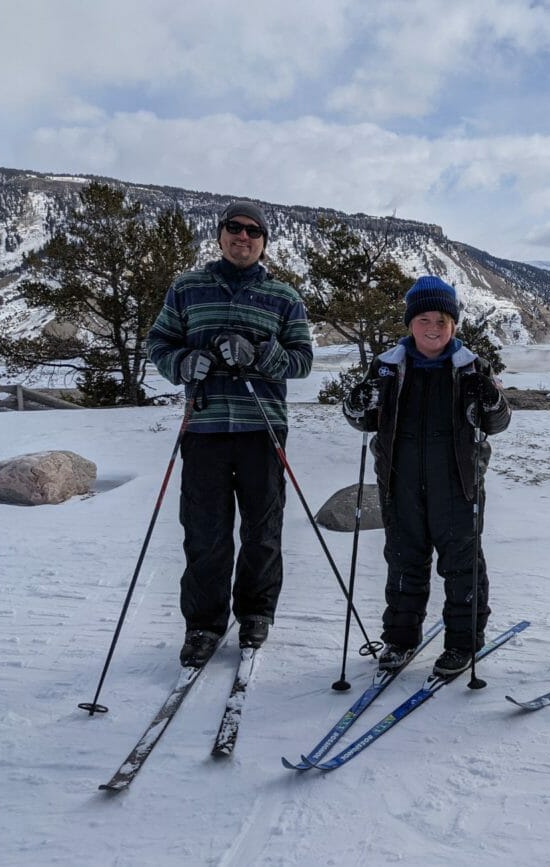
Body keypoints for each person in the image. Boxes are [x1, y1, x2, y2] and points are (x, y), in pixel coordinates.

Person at [148, 201, 314, 667]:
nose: (243, 237)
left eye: (253, 232)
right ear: (220, 235)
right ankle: (203, 624)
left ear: (264, 242)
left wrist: (261, 353)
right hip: (203, 427)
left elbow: (301, 360)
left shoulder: (284, 296)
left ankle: (257, 614)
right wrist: (181, 364)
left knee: (263, 529)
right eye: (234, 229)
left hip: (262, 427)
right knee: (205, 533)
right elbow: (159, 343)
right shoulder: (187, 288)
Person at [343, 275, 511, 677]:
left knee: (462, 564)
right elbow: (364, 420)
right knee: (403, 560)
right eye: (423, 320)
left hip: (457, 482)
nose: (432, 328)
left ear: (453, 324)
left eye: (441, 320)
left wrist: (492, 398)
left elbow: (497, 421)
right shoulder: (387, 368)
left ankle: (462, 644)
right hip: (399, 481)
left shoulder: (470, 366)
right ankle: (400, 640)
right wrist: (355, 403)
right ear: (410, 323)